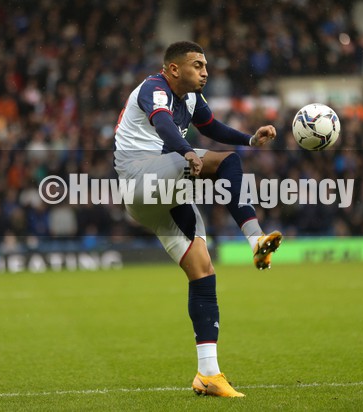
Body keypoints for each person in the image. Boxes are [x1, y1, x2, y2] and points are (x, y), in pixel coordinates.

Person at [113, 41, 283, 397]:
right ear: (173, 69)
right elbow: (162, 124)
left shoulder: (191, 98)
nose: (205, 71)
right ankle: (255, 238)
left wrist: (250, 139)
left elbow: (213, 128)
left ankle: (208, 374)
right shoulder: (153, 88)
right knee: (226, 163)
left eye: (206, 65)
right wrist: (188, 151)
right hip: (139, 178)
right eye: (197, 65)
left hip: (160, 196)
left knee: (203, 270)